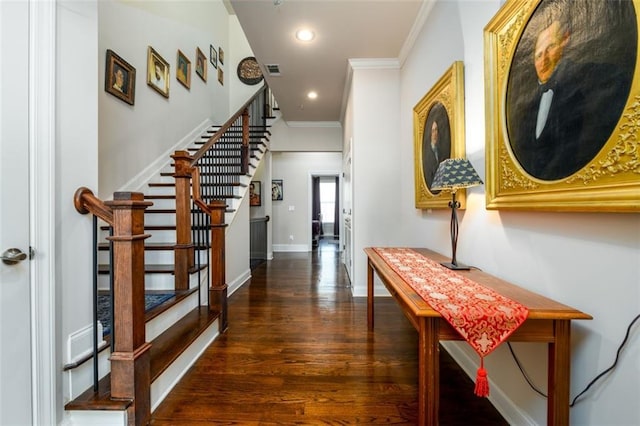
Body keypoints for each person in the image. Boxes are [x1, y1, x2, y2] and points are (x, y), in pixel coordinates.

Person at [507, 2, 633, 181]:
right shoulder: (528, 108)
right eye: (538, 55)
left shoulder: (592, 78)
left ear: (565, 40)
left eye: (550, 47)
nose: (544, 60)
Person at [421, 102, 451, 190]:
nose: (435, 133)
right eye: (433, 131)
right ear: (430, 134)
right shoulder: (427, 155)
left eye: (436, 130)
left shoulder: (441, 151)